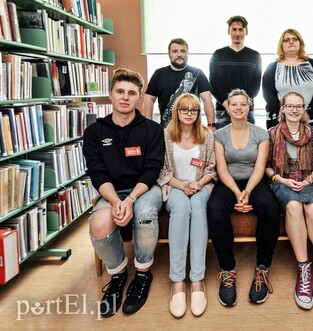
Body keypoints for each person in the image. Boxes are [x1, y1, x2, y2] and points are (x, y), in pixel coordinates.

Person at [83, 68, 165, 317]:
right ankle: (118, 276)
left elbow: (152, 171)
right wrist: (116, 201)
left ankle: (142, 273)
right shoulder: (94, 132)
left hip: (144, 188)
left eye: (131, 93)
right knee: (98, 224)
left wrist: (130, 199)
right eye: (120, 91)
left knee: (145, 215)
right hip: (111, 192)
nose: (125, 97)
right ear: (110, 94)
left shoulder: (152, 129)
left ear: (139, 97)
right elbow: (97, 173)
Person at [207, 89, 280, 307]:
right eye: (234, 104)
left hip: (254, 181)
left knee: (270, 208)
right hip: (228, 182)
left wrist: (247, 191)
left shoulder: (261, 133)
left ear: (249, 107)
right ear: (227, 108)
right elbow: (221, 169)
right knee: (215, 208)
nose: (238, 108)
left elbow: (260, 167)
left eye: (243, 104)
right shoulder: (219, 135)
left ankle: (262, 269)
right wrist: (238, 194)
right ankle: (228, 269)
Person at [265, 91, 313, 310]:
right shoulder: (271, 134)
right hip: (281, 183)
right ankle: (304, 270)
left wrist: (308, 180)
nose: (294, 110)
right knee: (294, 206)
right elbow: (266, 167)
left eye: (298, 106)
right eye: (289, 106)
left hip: (309, 183)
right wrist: (282, 180)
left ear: (304, 110)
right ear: (282, 109)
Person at [157, 93, 217, 318]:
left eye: (193, 110)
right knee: (182, 209)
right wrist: (182, 185)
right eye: (184, 110)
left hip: (201, 187)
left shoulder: (207, 136)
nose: (189, 114)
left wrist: (198, 183)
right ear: (177, 112)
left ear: (198, 112)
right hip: (174, 187)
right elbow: (161, 171)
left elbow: (211, 168)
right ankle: (178, 281)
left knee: (198, 208)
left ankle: (198, 279)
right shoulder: (165, 136)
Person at [142, 38, 215, 128]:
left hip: (193, 130)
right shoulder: (159, 74)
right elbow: (149, 100)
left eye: (183, 51)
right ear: (169, 54)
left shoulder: (198, 74)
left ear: (187, 53)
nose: (179, 55)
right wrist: (148, 127)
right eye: (175, 51)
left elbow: (207, 100)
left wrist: (211, 125)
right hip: (167, 129)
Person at [262, 28, 313, 129]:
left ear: (300, 43)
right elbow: (268, 94)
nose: (291, 42)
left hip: (308, 119)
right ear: (281, 45)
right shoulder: (273, 67)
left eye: (295, 39)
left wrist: (309, 113)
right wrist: (284, 113)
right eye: (286, 40)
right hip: (278, 120)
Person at [209, 15, 261, 128]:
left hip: (247, 112)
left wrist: (243, 104)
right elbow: (213, 83)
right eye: (234, 29)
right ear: (229, 31)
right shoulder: (218, 55)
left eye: (241, 29)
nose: (237, 33)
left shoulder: (255, 56)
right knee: (222, 145)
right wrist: (226, 104)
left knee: (249, 145)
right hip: (223, 112)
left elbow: (256, 86)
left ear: (246, 31)